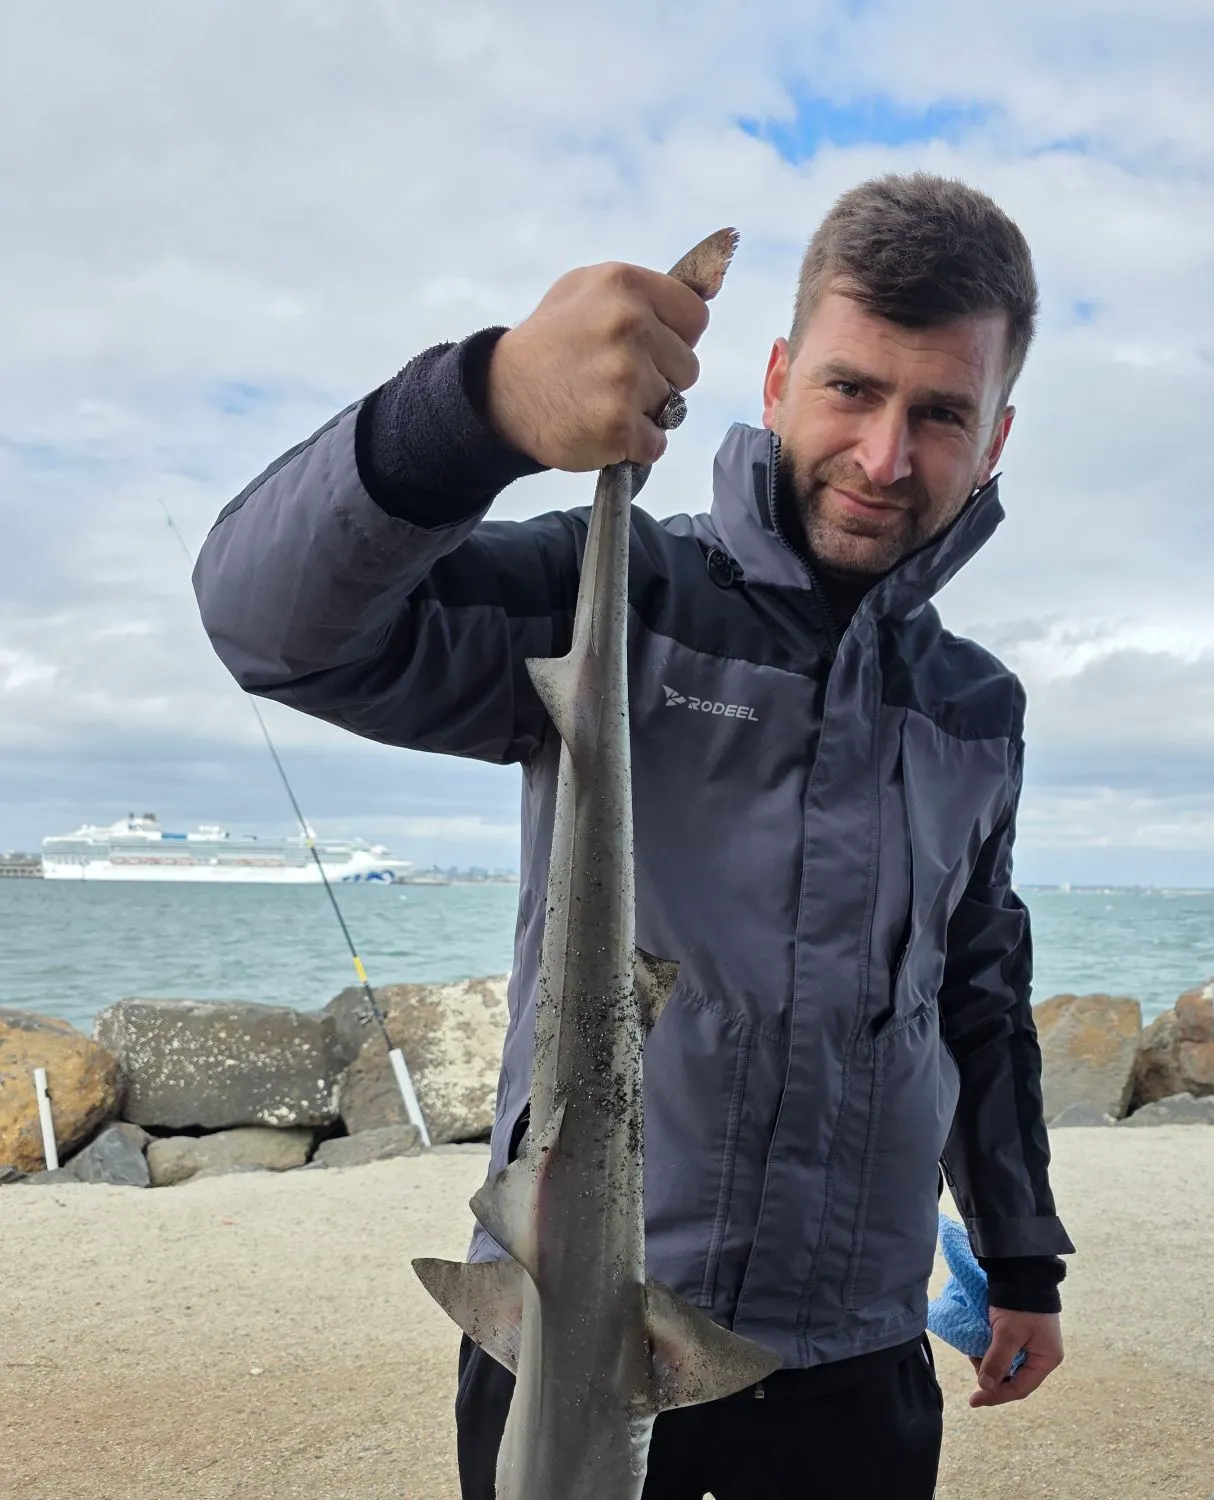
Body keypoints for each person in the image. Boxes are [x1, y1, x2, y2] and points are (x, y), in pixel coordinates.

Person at [195, 171, 1074, 1500]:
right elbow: (269, 625)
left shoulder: (973, 709)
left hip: (859, 1363)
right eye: (851, 389)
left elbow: (976, 997)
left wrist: (1020, 1260)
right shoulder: (616, 600)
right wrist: (479, 405)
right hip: (578, 1333)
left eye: (939, 411)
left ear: (994, 437)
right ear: (777, 379)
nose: (886, 456)